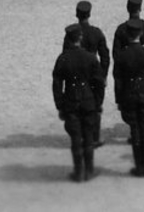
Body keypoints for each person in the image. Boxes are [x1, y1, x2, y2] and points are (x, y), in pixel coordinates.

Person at [52, 23, 105, 182]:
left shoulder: (63, 59)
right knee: (88, 137)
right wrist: (97, 103)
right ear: (80, 38)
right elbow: (99, 83)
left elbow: (57, 85)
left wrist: (60, 105)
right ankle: (89, 170)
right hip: (88, 101)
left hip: (71, 101)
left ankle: (78, 171)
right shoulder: (90, 57)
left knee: (75, 138)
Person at [114, 18, 144, 177]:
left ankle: (139, 165)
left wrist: (119, 99)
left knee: (135, 131)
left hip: (128, 94)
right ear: (140, 34)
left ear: (127, 35)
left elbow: (118, 80)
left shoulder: (121, 56)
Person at [74, 1, 110, 148]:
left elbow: (66, 55)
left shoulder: (72, 33)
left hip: (77, 74)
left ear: (77, 14)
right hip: (94, 73)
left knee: (78, 104)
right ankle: (95, 137)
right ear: (89, 14)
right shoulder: (96, 32)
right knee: (96, 104)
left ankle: (82, 136)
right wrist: (103, 75)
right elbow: (105, 56)